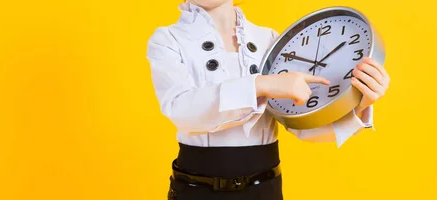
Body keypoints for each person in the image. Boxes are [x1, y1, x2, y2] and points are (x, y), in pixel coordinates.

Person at [146, 0, 390, 199]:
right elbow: (181, 109)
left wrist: (359, 103)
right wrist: (261, 84)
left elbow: (300, 124)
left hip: (264, 190)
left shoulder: (270, 39)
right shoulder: (167, 39)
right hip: (196, 189)